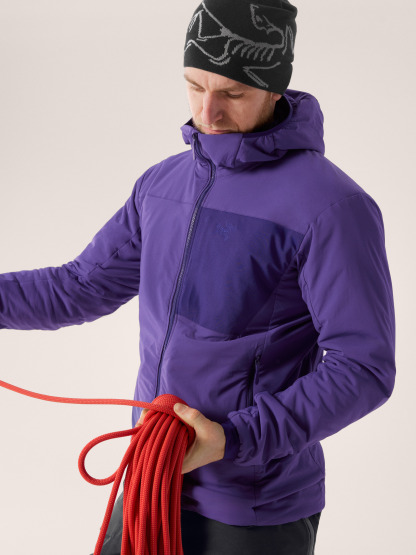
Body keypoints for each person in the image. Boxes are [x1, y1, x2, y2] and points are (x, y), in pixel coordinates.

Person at [0, 1, 396, 554]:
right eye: (194, 86)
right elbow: (80, 286)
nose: (209, 113)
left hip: (252, 508)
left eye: (233, 92)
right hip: (150, 478)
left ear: (274, 88)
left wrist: (235, 438)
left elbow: (363, 366)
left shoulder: (331, 207)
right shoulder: (161, 186)